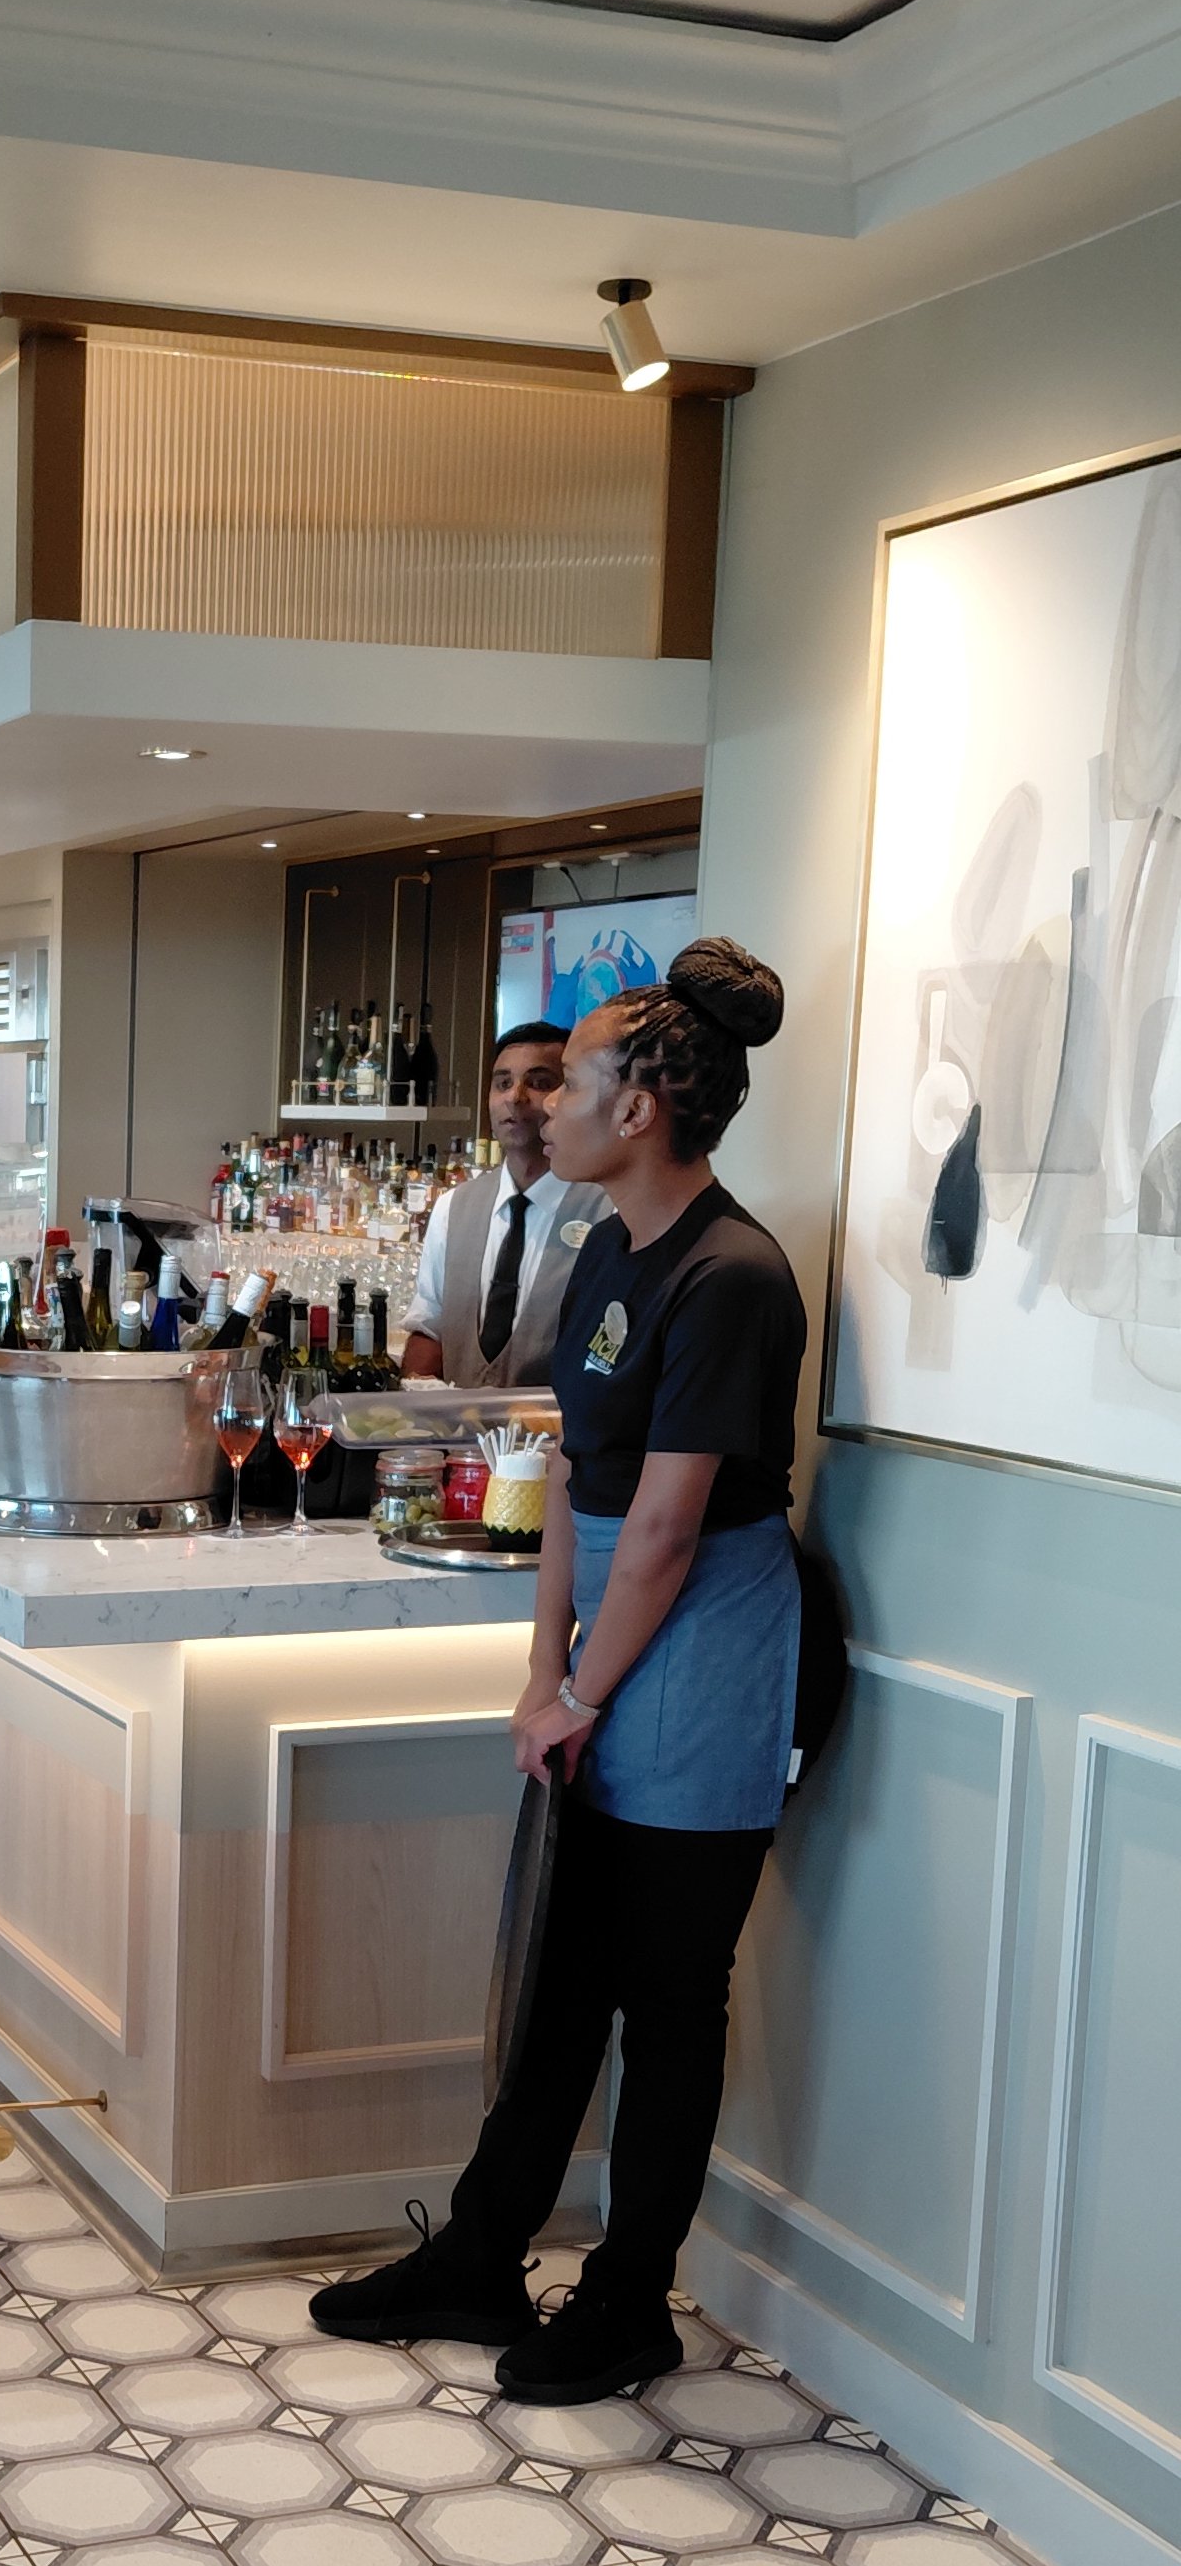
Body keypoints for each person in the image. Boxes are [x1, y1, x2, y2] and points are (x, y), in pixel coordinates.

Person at [314, 938, 805, 2403]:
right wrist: (548, 1669)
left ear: (642, 1104)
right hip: (605, 1625)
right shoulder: (610, 1246)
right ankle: (480, 2254)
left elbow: (664, 1524)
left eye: (574, 1078)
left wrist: (584, 1690)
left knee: (664, 1994)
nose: (546, 1107)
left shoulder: (733, 1275)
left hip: (703, 1642)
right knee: (559, 1981)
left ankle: (630, 2299)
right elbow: (571, 1480)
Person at [402, 1020, 609, 1385]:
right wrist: (417, 1413)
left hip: (558, 1439)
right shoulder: (453, 1208)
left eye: (539, 1082)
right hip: (458, 1437)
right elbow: (430, 1326)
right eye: (503, 1083)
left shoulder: (608, 1212)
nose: (515, 1097)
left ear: (570, 1097)